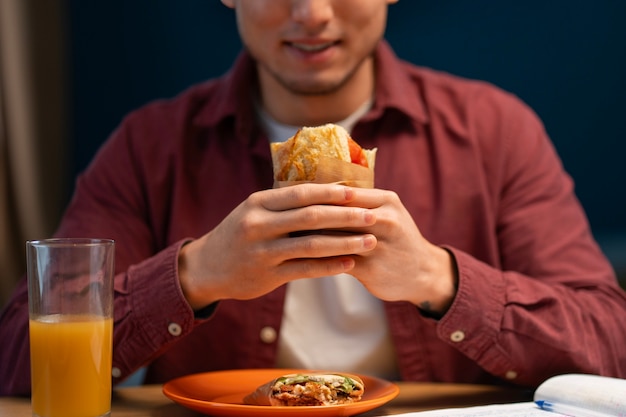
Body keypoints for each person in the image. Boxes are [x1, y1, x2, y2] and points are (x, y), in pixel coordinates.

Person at [2, 0, 626, 396]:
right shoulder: (150, 147)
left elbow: (610, 342)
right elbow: (17, 363)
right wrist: (193, 275)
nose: (313, 14)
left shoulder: (494, 132)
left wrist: (441, 279)